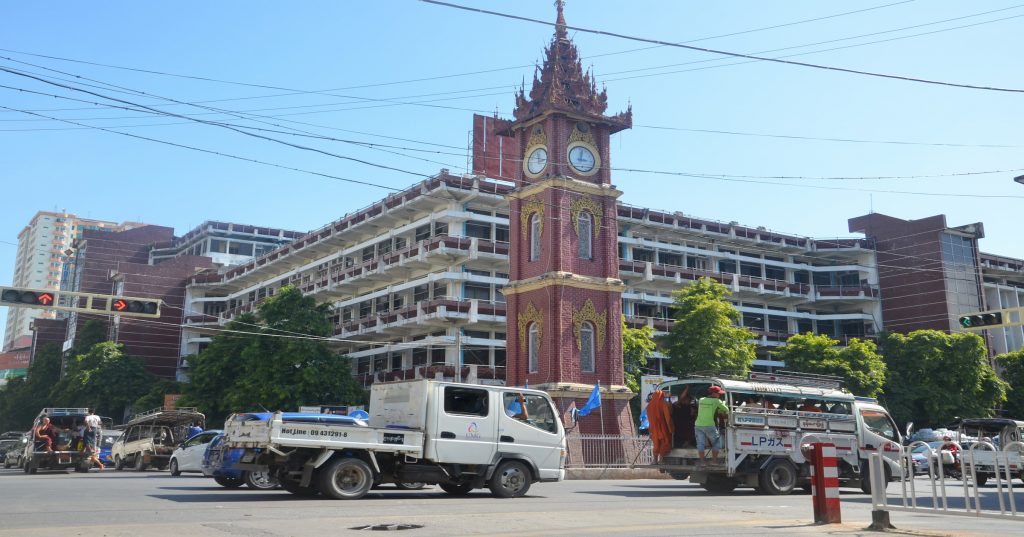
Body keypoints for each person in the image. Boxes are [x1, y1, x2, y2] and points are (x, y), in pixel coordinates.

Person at [694, 385, 729, 466]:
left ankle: (702, 462)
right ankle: (714, 461)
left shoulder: (701, 400)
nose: (719, 395)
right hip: (709, 425)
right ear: (714, 394)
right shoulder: (717, 401)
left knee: (700, 444)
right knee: (716, 443)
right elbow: (726, 409)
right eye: (718, 393)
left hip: (698, 425)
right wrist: (723, 402)